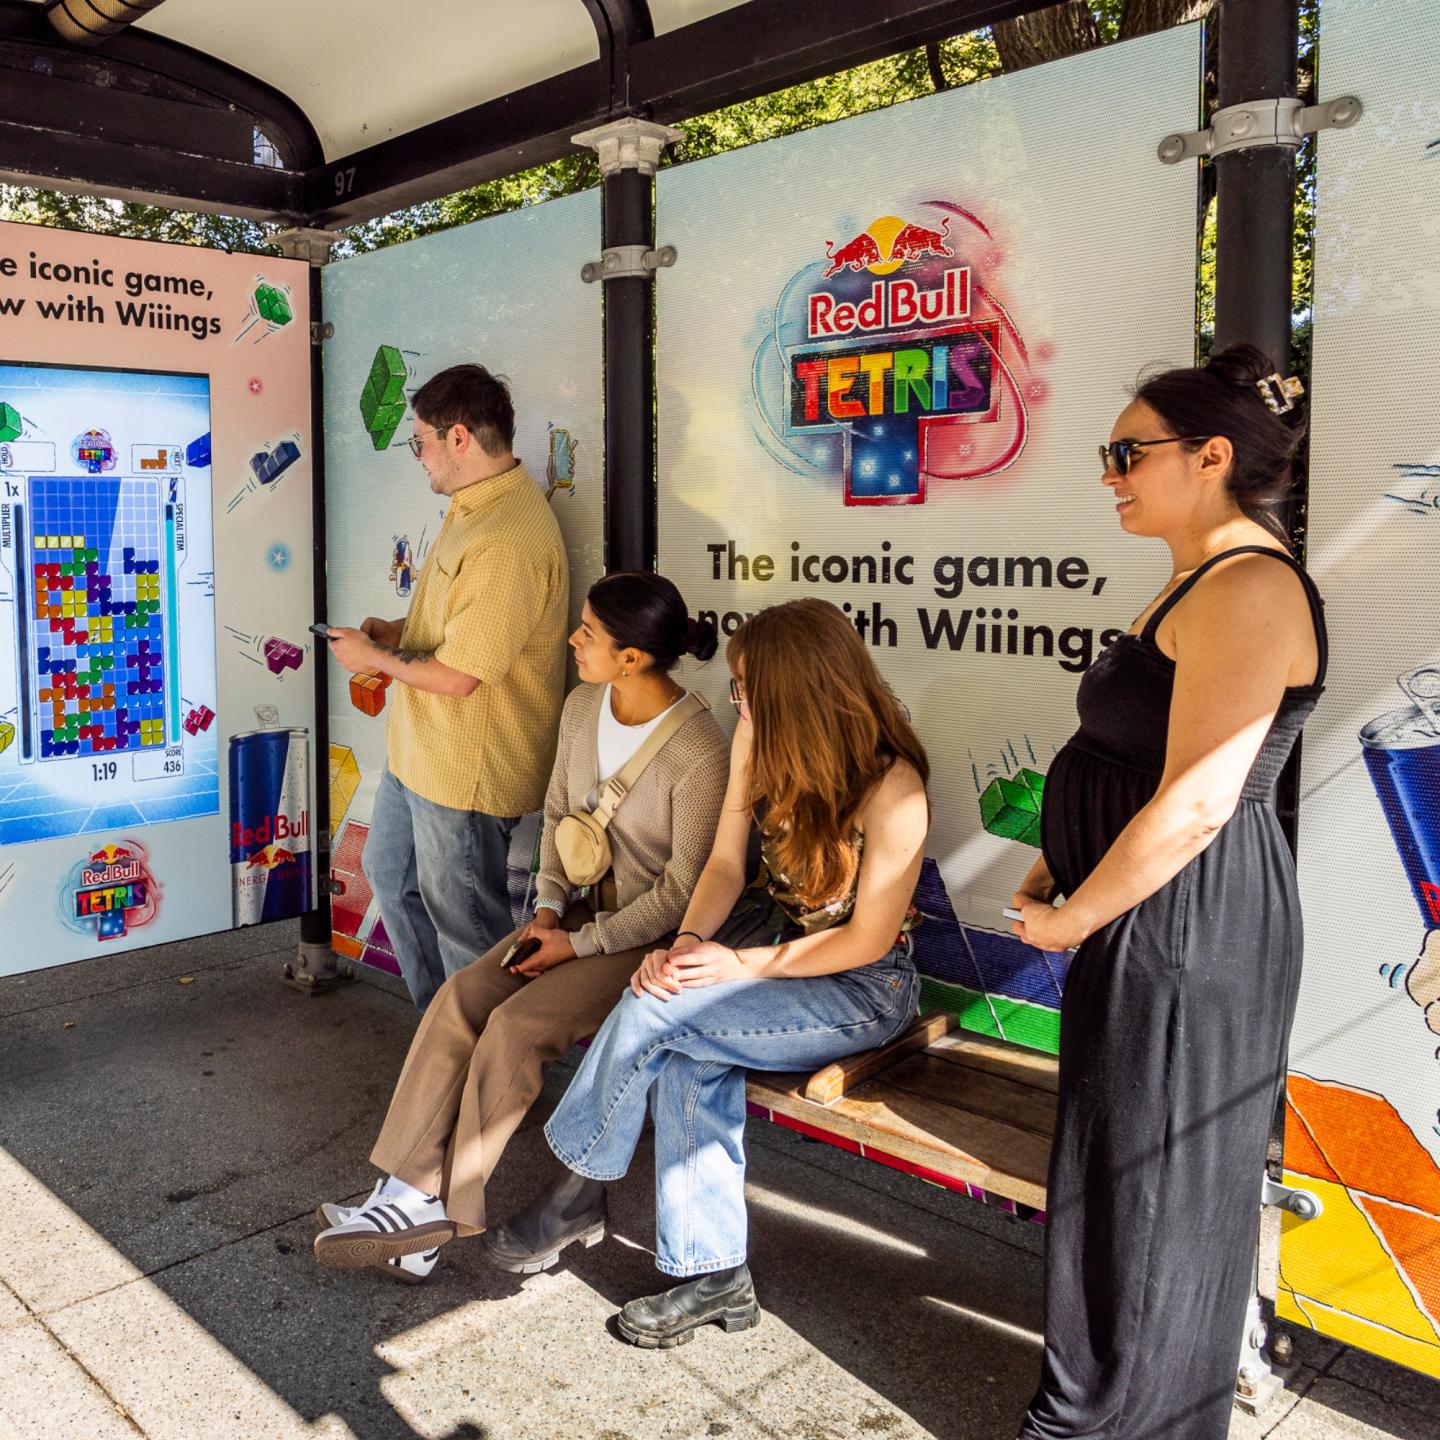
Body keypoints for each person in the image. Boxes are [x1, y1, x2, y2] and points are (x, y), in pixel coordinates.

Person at [1009, 345, 1326, 1440]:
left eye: (1127, 453)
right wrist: (1069, 850)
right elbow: (1140, 753)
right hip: (1155, 917)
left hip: (1190, 929)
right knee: (1125, 1173)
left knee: (1154, 1192)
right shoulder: (1205, 575)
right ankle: (1108, 1406)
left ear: (1213, 457)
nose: (1111, 475)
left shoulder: (1249, 585)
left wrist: (1072, 914)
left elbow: (1196, 801)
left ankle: (1119, 1424)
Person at [481, 598, 929, 1347]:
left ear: (796, 691)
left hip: (860, 986)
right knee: (682, 1037)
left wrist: (736, 964)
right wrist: (687, 944)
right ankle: (715, 1276)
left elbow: (865, 939)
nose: (736, 701)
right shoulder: (760, 744)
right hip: (770, 952)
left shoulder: (894, 788)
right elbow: (723, 865)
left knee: (662, 1019)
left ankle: (576, 1189)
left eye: (746, 687)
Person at [313, 573, 728, 1281]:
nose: (574, 639)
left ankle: (439, 1216)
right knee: (462, 999)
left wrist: (578, 942)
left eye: (589, 633)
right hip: (567, 915)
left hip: (644, 939)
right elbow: (560, 820)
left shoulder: (699, 750)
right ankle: (405, 1193)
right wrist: (544, 914)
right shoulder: (580, 707)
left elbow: (682, 895)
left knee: (513, 1028)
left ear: (632, 658)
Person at [324, 364, 569, 1011]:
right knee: (389, 876)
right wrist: (393, 632)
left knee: (469, 932)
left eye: (420, 440)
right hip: (422, 755)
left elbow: (462, 676)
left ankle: (486, 1073)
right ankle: (444, 1039)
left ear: (459, 437)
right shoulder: (473, 508)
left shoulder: (509, 537)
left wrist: (374, 654)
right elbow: (455, 626)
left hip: (466, 774)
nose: (418, 455)